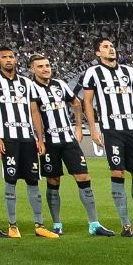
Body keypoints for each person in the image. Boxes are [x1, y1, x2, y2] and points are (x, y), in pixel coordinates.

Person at [79, 37, 133, 237]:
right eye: (105, 47)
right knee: (117, 173)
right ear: (98, 53)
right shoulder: (93, 73)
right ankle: (125, 224)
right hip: (111, 130)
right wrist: (93, 128)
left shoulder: (129, 72)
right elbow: (88, 102)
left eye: (112, 46)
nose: (111, 49)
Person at [28, 54, 110, 236]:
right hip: (50, 142)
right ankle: (57, 224)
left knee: (83, 177)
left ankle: (94, 223)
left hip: (68, 140)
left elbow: (76, 103)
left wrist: (79, 127)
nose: (45, 69)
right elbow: (34, 114)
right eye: (40, 66)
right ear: (32, 69)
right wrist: (40, 140)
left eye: (47, 65)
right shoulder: (30, 88)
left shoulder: (60, 85)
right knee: (53, 180)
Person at [0, 47, 54, 238]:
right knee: (10, 182)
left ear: (15, 59)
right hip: (8, 139)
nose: (8, 60)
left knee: (33, 181)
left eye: (11, 57)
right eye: (4, 57)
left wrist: (40, 139)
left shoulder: (27, 83)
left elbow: (34, 111)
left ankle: (39, 224)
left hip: (27, 139)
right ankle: (13, 225)